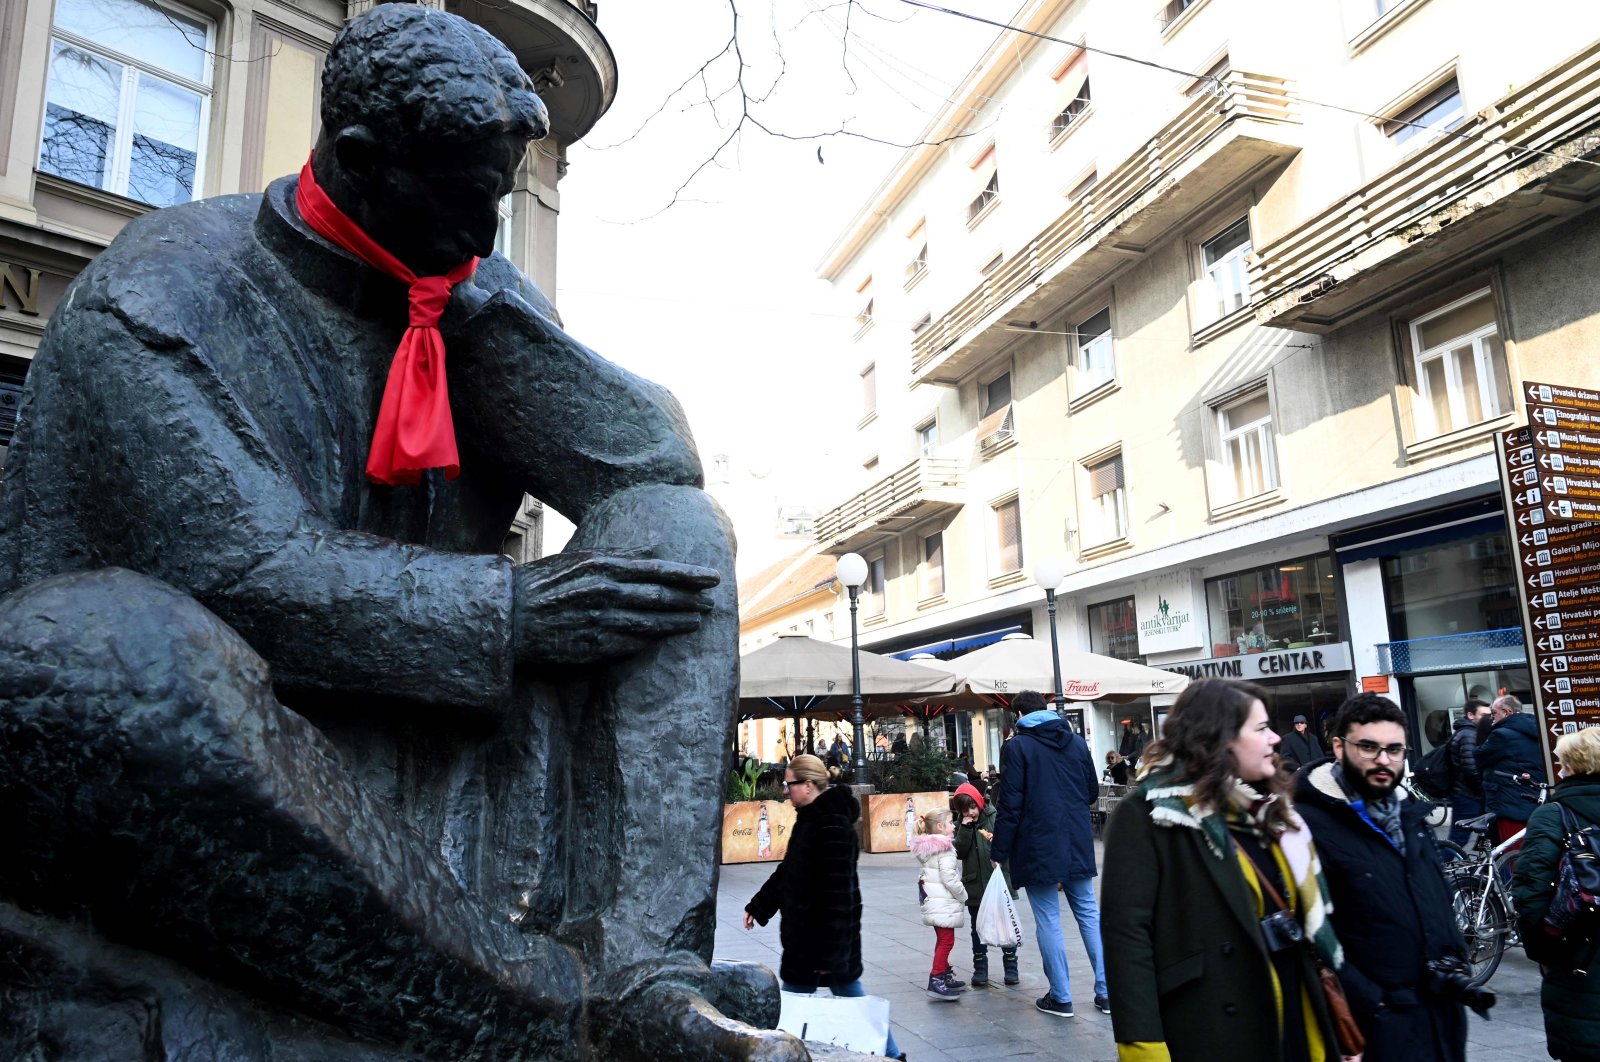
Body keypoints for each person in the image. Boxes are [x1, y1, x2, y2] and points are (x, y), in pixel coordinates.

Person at [0, 7, 773, 1058]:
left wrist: (488, 322)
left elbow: (651, 462)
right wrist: (516, 612)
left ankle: (642, 970)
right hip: (208, 740)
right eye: (464, 201)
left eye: (497, 201)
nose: (486, 233)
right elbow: (239, 573)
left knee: (677, 534)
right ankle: (533, 1007)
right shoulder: (158, 294)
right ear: (362, 161)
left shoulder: (460, 281)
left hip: (434, 739)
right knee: (100, 645)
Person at [1102, 678, 1345, 1062]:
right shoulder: (1148, 813)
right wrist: (1142, 1046)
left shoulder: (1272, 812)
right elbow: (1127, 938)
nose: (1275, 740)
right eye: (1261, 729)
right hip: (1211, 1024)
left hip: (1292, 1009)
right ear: (1220, 736)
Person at [1294, 693, 1478, 1061]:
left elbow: (1435, 898)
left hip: (1439, 1018)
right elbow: (1309, 936)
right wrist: (1374, 1004)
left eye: (1395, 750)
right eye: (1368, 747)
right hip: (1374, 1029)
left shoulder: (1408, 813)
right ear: (1338, 746)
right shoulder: (1305, 824)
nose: (1384, 760)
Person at [745, 755, 903, 1059]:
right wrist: (759, 905)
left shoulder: (831, 824)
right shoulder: (812, 818)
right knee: (840, 998)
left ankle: (894, 1056)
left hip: (819, 943)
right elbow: (789, 870)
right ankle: (893, 1056)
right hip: (809, 941)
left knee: (813, 1002)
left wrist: (829, 955)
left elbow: (838, 895)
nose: (784, 790)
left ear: (807, 785)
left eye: (789, 784)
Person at [989, 690, 1109, 1018]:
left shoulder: (1017, 747)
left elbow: (1010, 804)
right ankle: (1107, 992)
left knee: (1049, 919)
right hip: (1075, 839)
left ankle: (1061, 996)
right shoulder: (1076, 743)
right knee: (1088, 914)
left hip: (1038, 844)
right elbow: (1090, 792)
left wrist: (998, 849)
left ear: (1018, 715)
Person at [1511, 727, 1600, 1062]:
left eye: (1562, 764)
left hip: (1578, 958)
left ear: (1575, 768)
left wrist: (1545, 952)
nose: (1559, 770)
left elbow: (1531, 892)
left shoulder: (1553, 815)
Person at [951, 783, 1019, 986]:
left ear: (979, 803)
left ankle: (1011, 967)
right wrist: (964, 828)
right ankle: (980, 969)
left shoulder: (993, 817)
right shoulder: (961, 825)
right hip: (975, 885)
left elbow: (1007, 843)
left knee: (1005, 924)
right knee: (977, 928)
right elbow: (960, 851)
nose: (970, 813)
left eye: (972, 807)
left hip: (998, 882)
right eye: (964, 810)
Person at [910, 806, 969, 1001]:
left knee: (942, 939)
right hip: (942, 902)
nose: (954, 825)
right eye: (951, 822)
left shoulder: (928, 848)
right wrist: (963, 894)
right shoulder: (945, 849)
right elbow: (949, 877)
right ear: (940, 826)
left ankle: (943, 973)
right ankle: (936, 979)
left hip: (933, 901)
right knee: (947, 940)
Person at [1477, 694, 1546, 845]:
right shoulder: (1536, 729)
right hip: (1532, 797)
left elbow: (1479, 757)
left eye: (1494, 713)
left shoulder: (1501, 735)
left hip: (1509, 800)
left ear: (1507, 712)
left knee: (1511, 850)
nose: (1492, 717)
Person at [1445, 700, 1492, 848]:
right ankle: (1438, 869)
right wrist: (1482, 788)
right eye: (1484, 715)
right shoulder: (1469, 734)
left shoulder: (1470, 732)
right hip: (1467, 794)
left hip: (1466, 792)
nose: (1488, 719)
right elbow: (1471, 769)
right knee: (1458, 839)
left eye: (1490, 715)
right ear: (1471, 715)